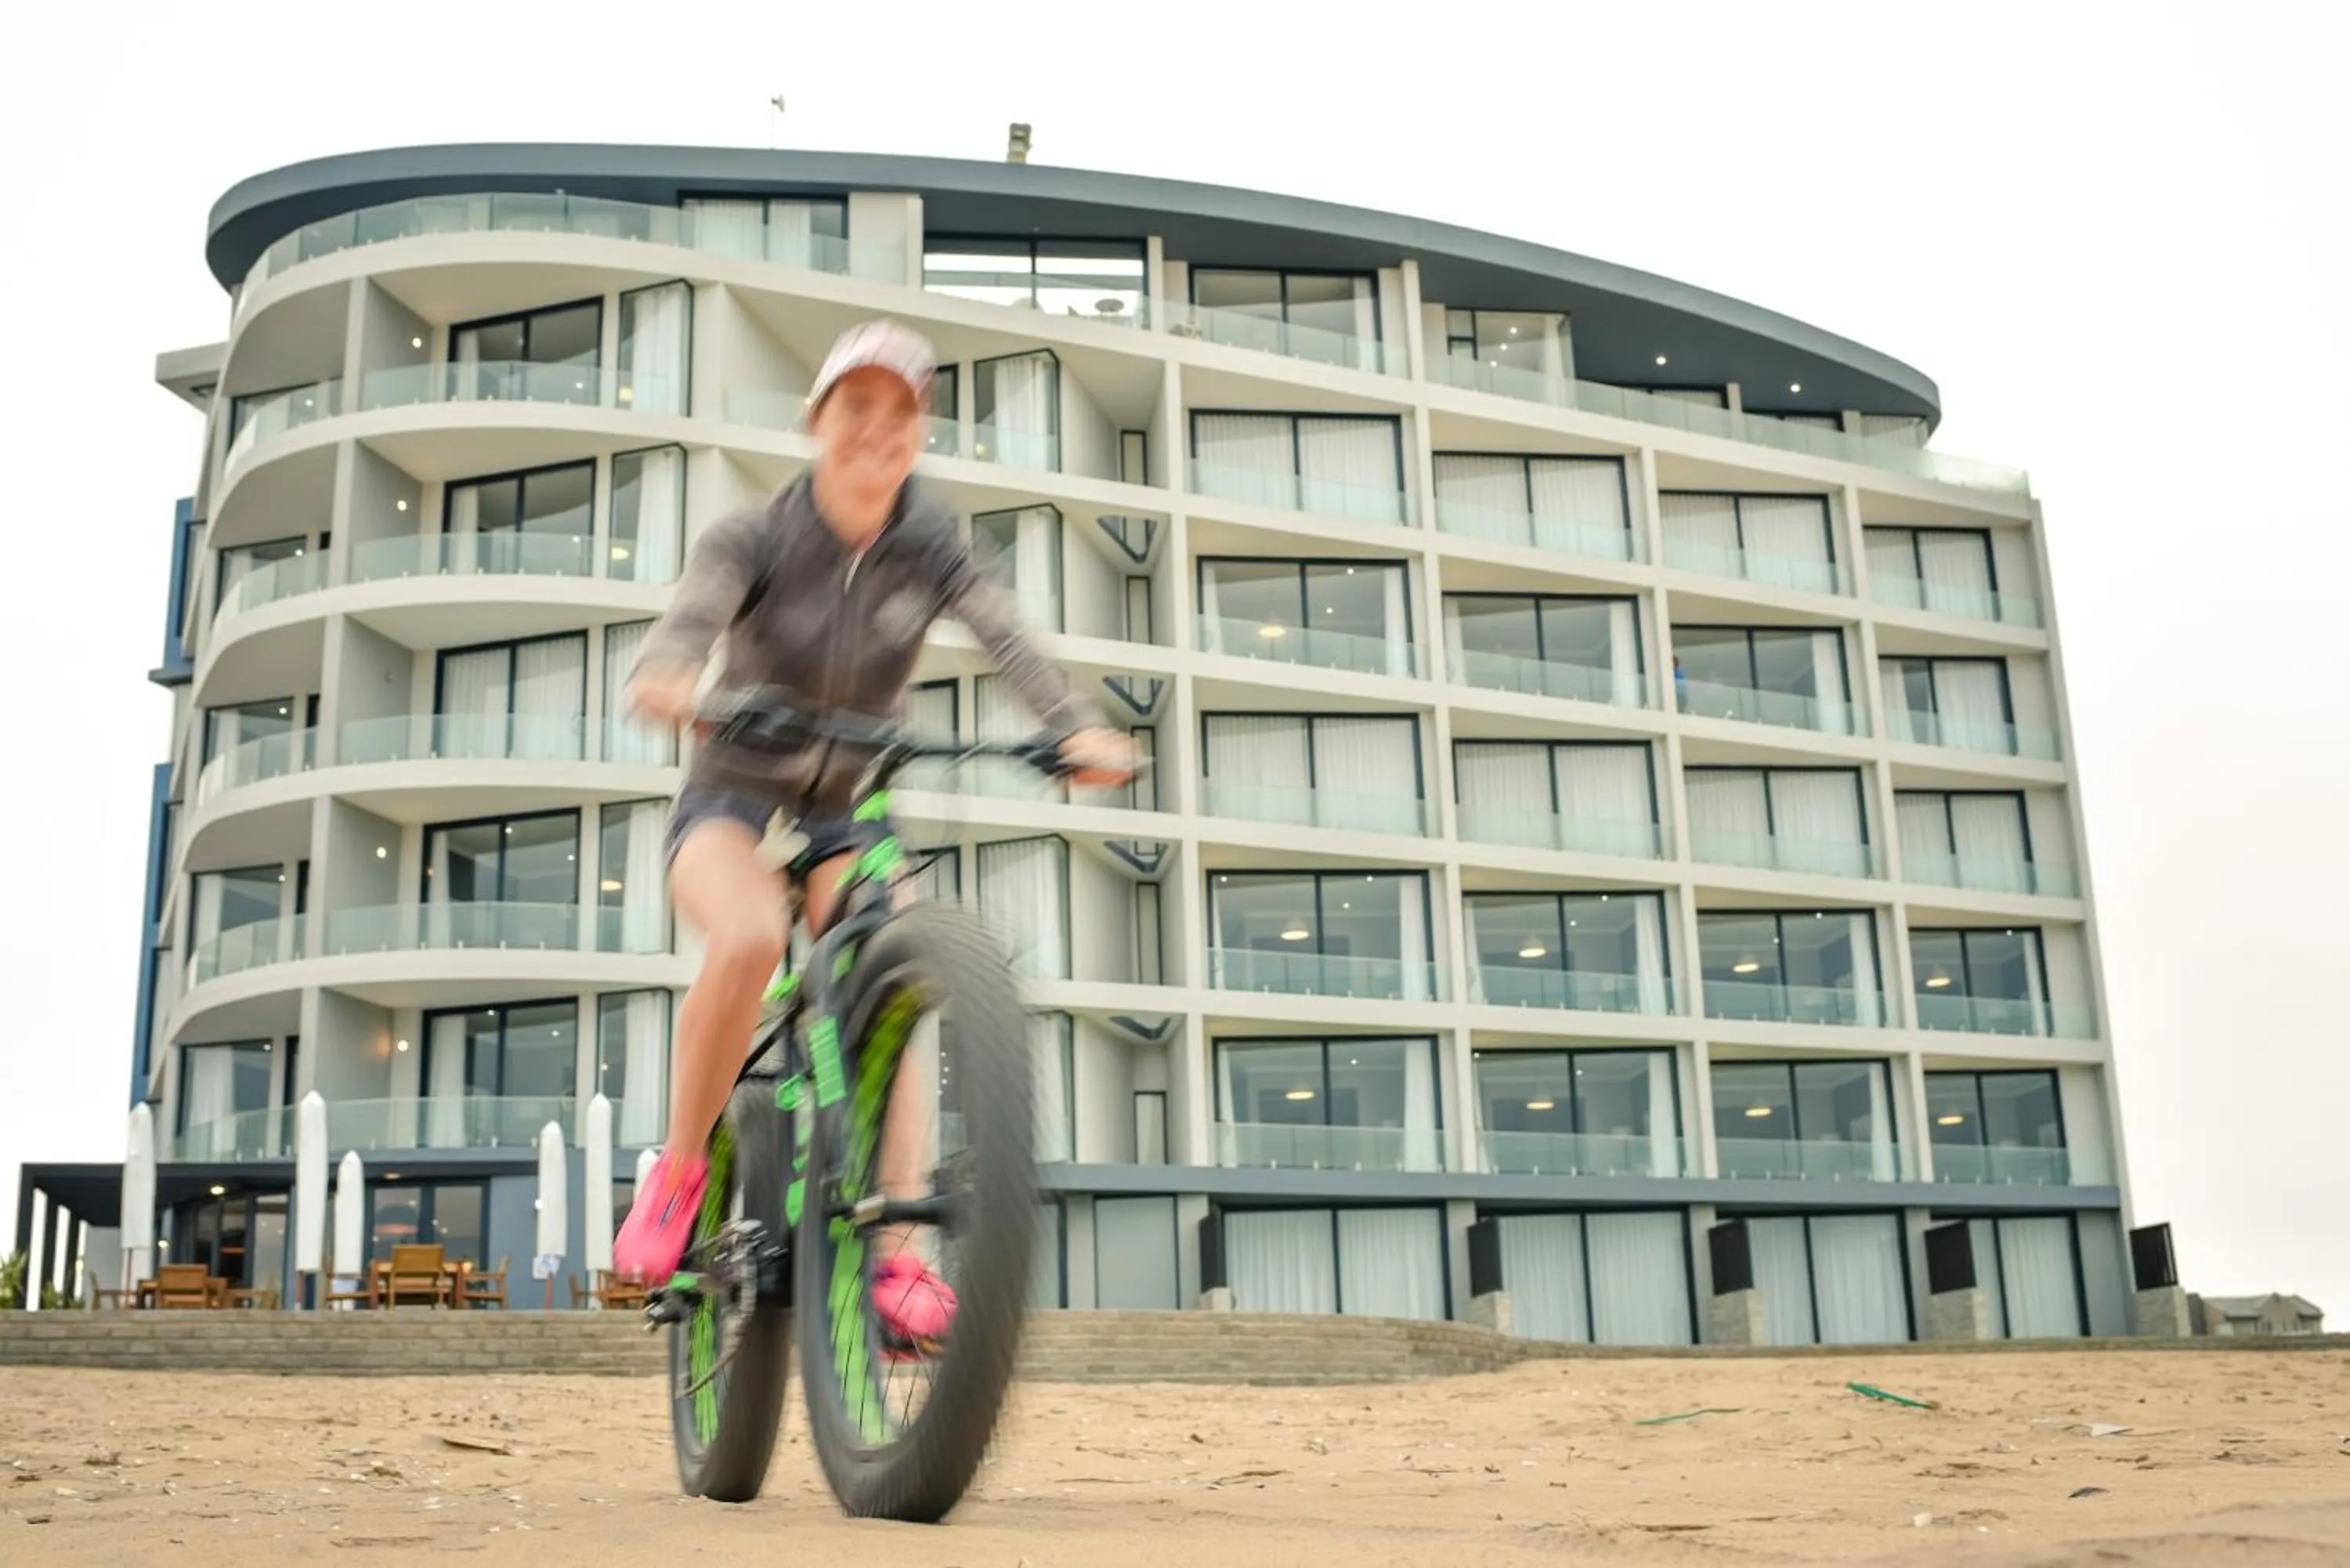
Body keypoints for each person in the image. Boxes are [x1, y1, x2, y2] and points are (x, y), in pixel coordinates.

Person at [613, 319, 1135, 1346]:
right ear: (819, 420)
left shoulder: (932, 543)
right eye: (857, 409)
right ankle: (677, 1171)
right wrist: (672, 679)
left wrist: (1072, 728)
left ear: (919, 433)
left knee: (895, 955)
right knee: (753, 932)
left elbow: (1008, 637)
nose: (878, 433)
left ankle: (900, 1248)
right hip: (733, 782)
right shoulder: (753, 533)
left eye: (901, 415)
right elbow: (690, 623)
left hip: (849, 792)